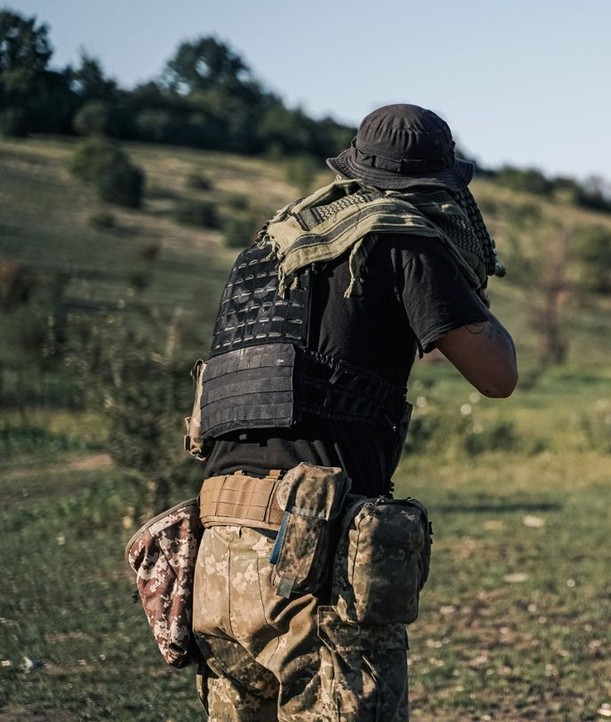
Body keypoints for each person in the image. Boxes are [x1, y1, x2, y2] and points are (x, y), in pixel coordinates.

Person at [187, 103, 518, 720]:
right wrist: (461, 278)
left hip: (215, 549)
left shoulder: (270, 245)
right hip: (308, 559)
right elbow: (498, 374)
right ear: (440, 183)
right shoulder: (401, 235)